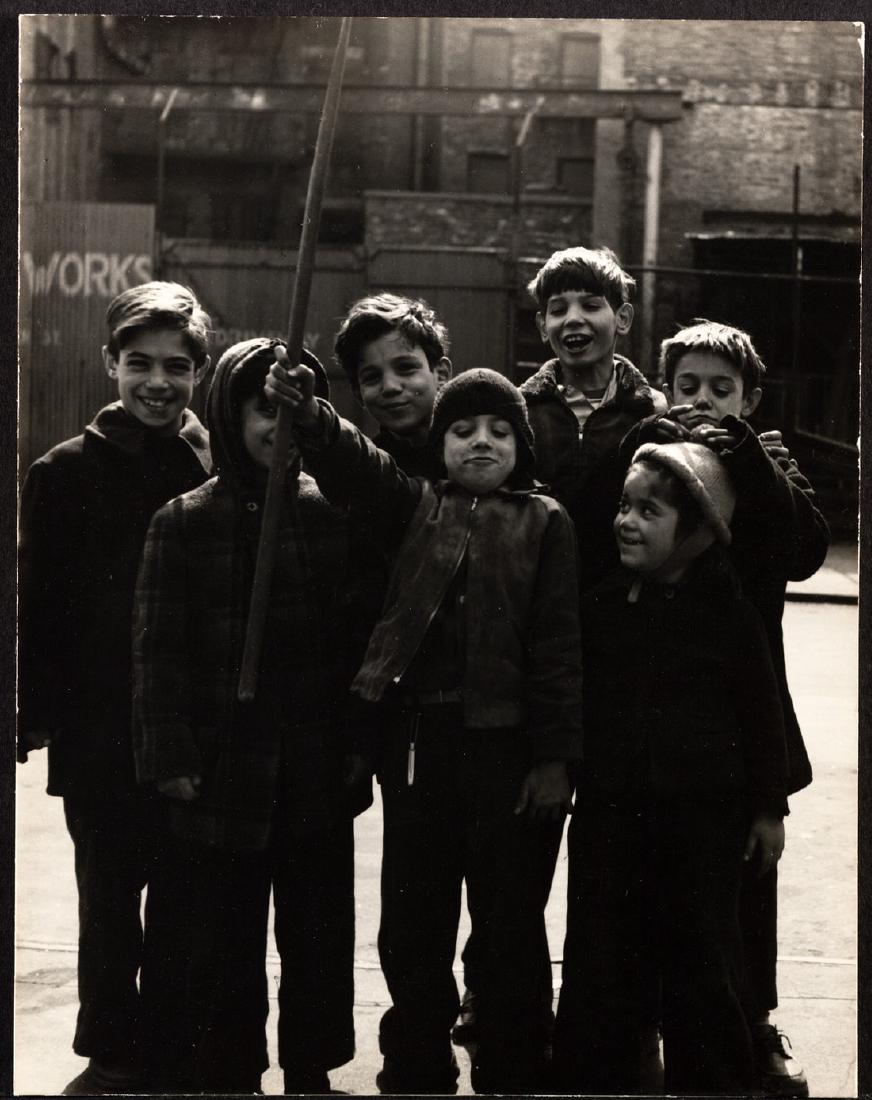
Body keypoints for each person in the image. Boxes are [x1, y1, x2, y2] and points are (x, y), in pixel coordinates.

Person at [273, 359, 584, 1094]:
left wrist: (554, 759)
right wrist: (314, 416)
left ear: (523, 447)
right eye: (464, 430)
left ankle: (513, 1061)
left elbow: (560, 650)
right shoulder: (415, 506)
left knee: (509, 921)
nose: (481, 442)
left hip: (510, 758)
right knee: (414, 922)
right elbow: (358, 467)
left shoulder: (547, 523)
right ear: (440, 445)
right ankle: (415, 1058)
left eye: (500, 431)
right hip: (420, 752)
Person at [132, 338, 374, 1094]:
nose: (282, 424)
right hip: (221, 770)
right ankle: (227, 1067)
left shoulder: (330, 514)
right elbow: (156, 652)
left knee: (317, 934)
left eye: (298, 409)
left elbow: (356, 646)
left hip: (311, 769)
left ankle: (312, 1065)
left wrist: (355, 749)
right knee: (220, 940)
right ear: (231, 414)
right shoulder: (183, 522)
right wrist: (168, 754)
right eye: (266, 409)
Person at [619, 319, 829, 1096]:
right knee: (659, 885)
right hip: (662, 707)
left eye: (722, 390)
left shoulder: (766, 461)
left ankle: (756, 1019)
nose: (704, 403)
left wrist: (742, 451)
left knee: (749, 879)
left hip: (744, 711)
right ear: (665, 389)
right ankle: (648, 1023)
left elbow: (807, 547)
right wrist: (666, 431)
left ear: (752, 399)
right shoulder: (656, 457)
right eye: (688, 387)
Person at [17, 281, 213, 1095]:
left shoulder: (213, 463)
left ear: (199, 371)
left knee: (180, 888)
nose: (157, 383)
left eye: (176, 366)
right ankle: (109, 1040)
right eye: (140, 364)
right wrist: (34, 712)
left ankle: (168, 1032)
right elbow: (40, 607)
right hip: (99, 723)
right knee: (107, 891)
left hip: (186, 720)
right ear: (110, 363)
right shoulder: (62, 472)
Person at [551, 441, 790, 1095]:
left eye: (648, 511)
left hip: (704, 821)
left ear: (698, 532)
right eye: (625, 507)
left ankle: (710, 1081)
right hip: (610, 817)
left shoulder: (729, 614)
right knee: (600, 959)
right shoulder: (601, 607)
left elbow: (761, 712)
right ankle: (596, 1080)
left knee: (702, 962)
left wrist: (770, 806)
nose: (626, 521)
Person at [519, 244, 668, 591]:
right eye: (558, 310)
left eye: (590, 305)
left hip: (621, 597)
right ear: (543, 326)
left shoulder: (653, 413)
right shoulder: (520, 411)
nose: (573, 318)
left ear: (623, 318)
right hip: (540, 591)